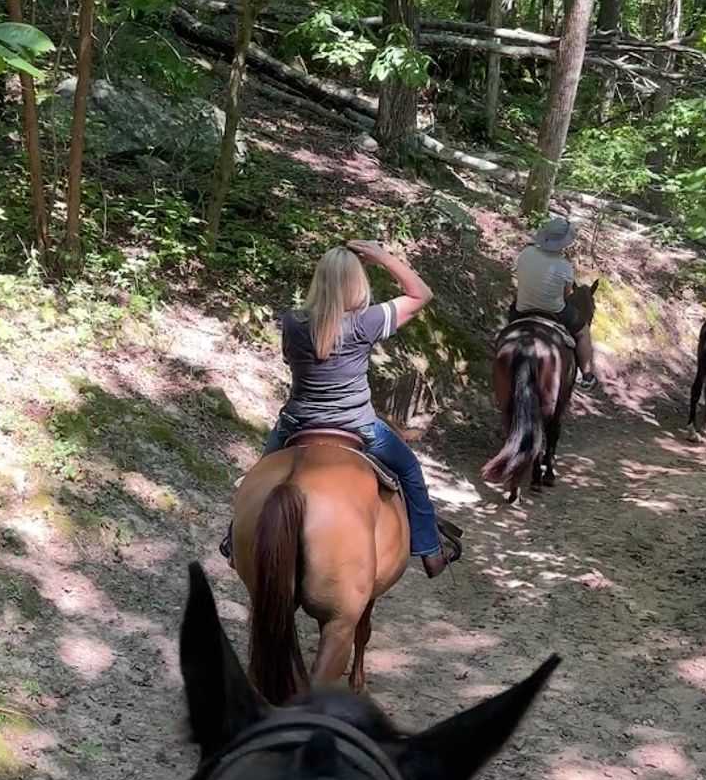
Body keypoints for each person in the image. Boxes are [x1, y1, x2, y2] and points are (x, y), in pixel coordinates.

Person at [245, 241, 461, 579]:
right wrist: (381, 256)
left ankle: (234, 541)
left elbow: (290, 358)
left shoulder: (293, 321)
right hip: (357, 425)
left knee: (254, 480)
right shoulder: (367, 322)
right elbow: (421, 294)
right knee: (409, 471)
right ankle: (430, 551)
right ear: (356, 282)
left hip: (296, 423)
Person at [512, 217, 598, 391]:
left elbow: (520, 276)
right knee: (583, 333)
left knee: (510, 321)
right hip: (554, 311)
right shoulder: (564, 266)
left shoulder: (525, 254)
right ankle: (587, 375)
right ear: (564, 243)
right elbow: (566, 294)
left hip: (522, 307)